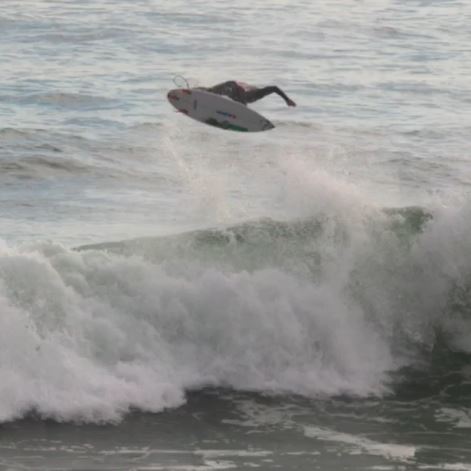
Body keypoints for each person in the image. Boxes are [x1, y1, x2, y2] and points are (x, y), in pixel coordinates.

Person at [200, 81, 296, 107]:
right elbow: (274, 87)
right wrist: (287, 100)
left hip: (234, 90)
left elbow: (274, 88)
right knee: (211, 91)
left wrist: (287, 100)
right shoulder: (246, 92)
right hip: (232, 86)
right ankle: (191, 91)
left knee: (211, 91)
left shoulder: (257, 94)